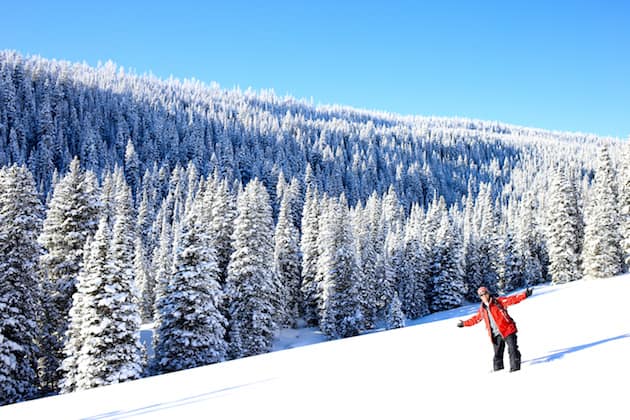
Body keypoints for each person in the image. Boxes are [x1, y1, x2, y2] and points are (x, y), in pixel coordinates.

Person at [457, 286, 533, 372]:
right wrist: (464, 323)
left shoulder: (498, 302)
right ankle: (498, 372)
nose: (484, 296)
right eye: (481, 295)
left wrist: (525, 295)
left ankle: (515, 370)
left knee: (512, 349)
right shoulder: (482, 310)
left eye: (485, 293)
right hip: (495, 334)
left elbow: (512, 299)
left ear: (488, 293)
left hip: (508, 329)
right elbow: (475, 319)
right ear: (480, 297)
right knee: (497, 355)